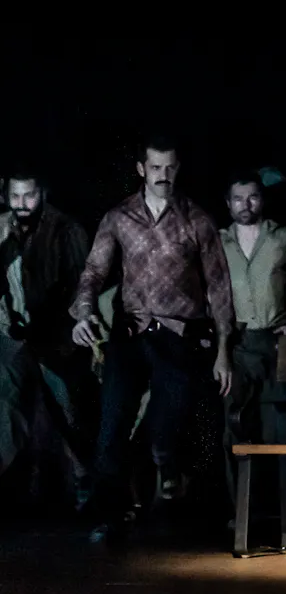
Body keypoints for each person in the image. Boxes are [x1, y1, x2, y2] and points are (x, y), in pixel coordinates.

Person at [70, 133, 235, 543]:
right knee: (112, 424)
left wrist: (224, 352)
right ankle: (111, 512)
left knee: (164, 425)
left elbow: (219, 287)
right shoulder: (119, 218)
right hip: (131, 332)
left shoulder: (197, 219)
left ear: (178, 169)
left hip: (180, 334)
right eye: (155, 168)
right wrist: (85, 312)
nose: (163, 175)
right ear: (142, 169)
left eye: (170, 168)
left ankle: (160, 488)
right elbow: (93, 271)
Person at [220, 172, 286, 514]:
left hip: (276, 343)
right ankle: (242, 512)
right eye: (237, 198)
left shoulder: (285, 239)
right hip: (237, 344)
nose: (245, 205)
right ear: (228, 203)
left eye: (252, 197)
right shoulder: (218, 242)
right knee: (236, 429)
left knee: (281, 428)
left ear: (262, 200)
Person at [0, 167, 94, 507]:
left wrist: (75, 326)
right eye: (15, 196)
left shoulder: (65, 230)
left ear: (43, 194)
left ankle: (90, 481)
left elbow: (82, 282)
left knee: (70, 415)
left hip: (57, 339)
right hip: (16, 335)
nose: (22, 204)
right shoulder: (4, 229)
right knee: (7, 404)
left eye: (29, 195)